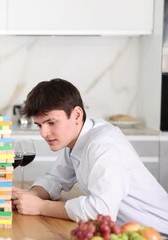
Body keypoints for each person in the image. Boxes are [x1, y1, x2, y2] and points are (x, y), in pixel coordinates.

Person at [11, 78, 168, 234]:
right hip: (125, 232)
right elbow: (55, 178)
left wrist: (41, 207)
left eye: (51, 122)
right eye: (39, 125)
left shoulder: (104, 144)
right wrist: (29, 197)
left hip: (157, 233)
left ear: (77, 115)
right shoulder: (76, 140)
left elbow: (101, 211)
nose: (44, 133)